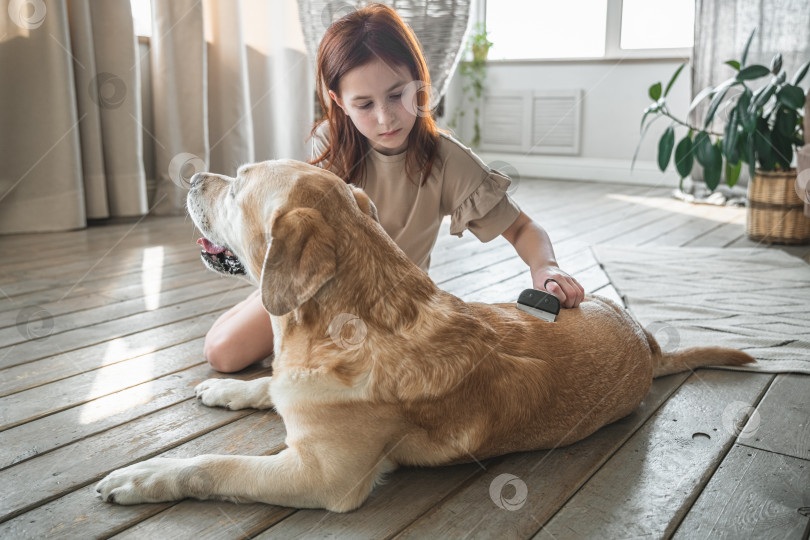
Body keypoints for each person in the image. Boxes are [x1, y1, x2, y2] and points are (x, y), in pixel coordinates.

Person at [203, 3, 584, 373]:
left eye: (397, 94)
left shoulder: (447, 159)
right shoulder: (328, 146)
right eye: (365, 104)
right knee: (223, 354)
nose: (385, 118)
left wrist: (545, 266)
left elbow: (522, 228)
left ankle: (265, 301)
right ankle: (261, 294)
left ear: (418, 82)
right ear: (339, 102)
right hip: (324, 286)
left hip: (394, 305)